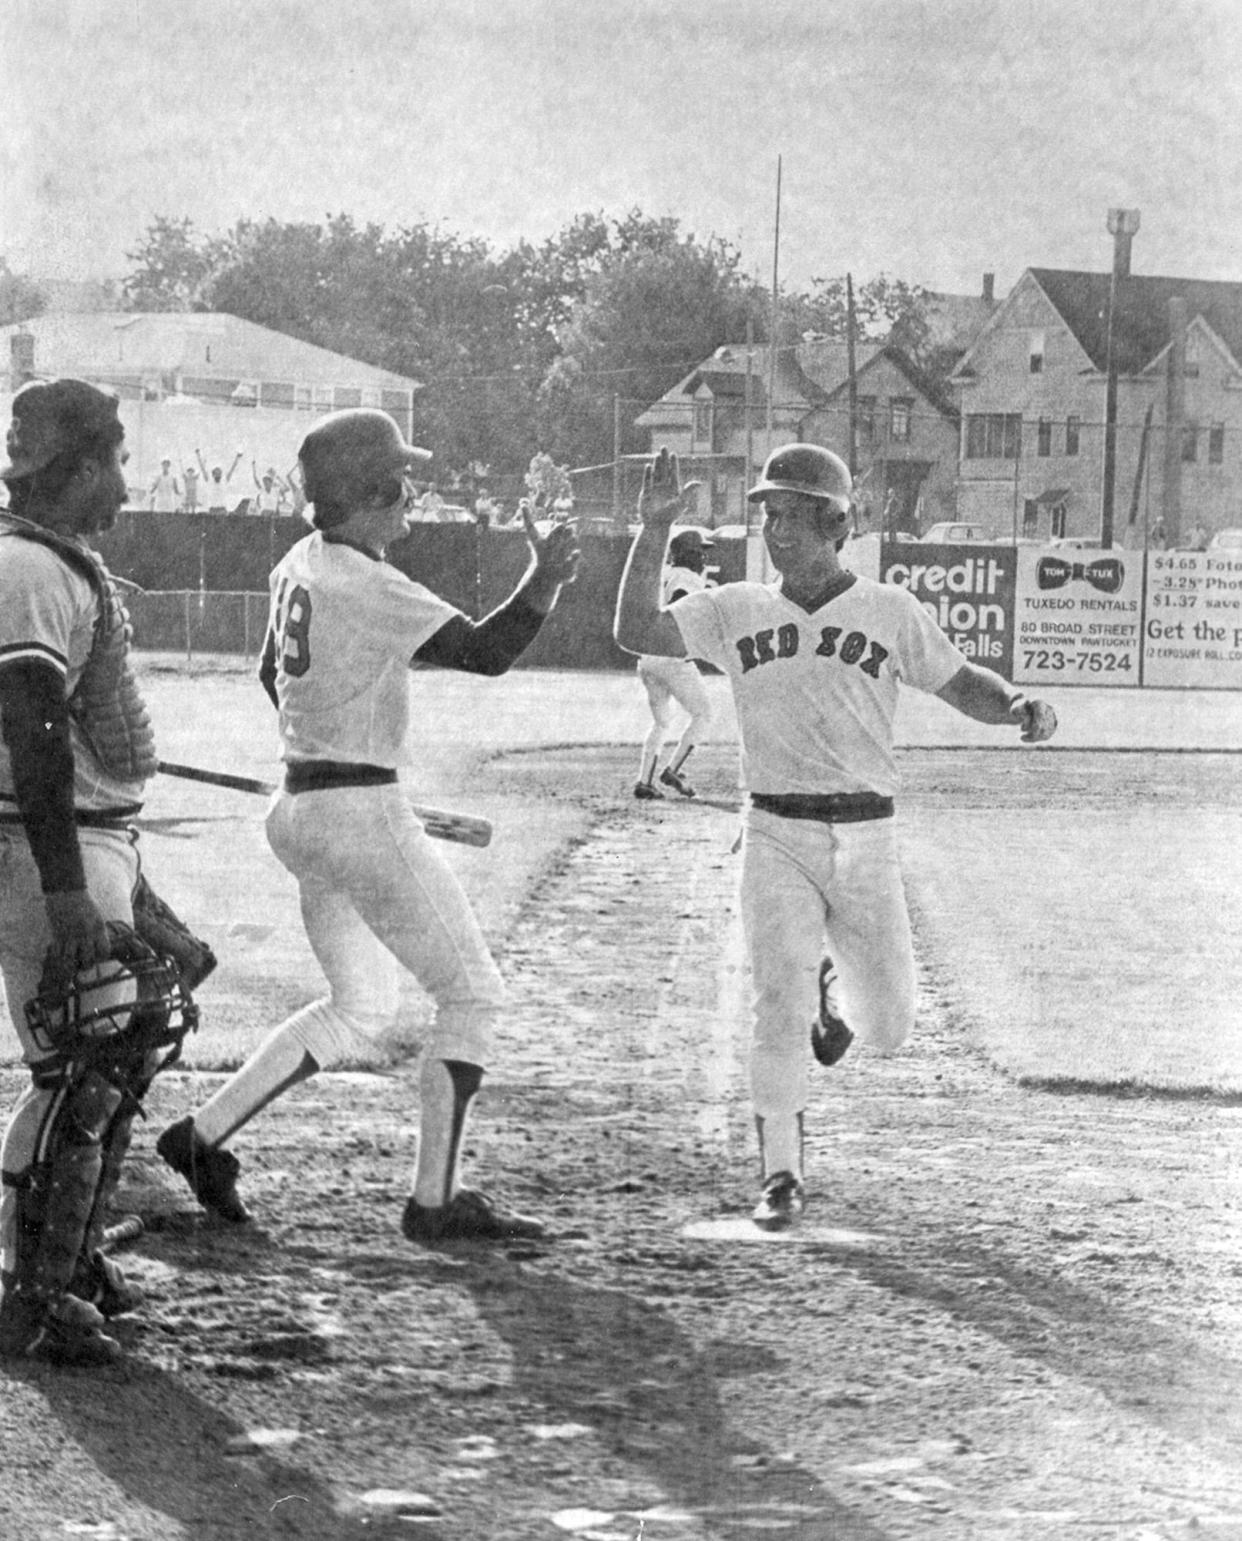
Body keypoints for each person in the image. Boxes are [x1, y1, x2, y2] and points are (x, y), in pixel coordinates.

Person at [155, 408, 581, 1244]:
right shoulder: (368, 579)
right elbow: (489, 653)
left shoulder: (298, 564)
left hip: (303, 808)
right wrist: (546, 578)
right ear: (371, 491)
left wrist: (330, 751)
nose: (410, 493)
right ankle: (435, 1201)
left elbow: (268, 673)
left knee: (361, 1007)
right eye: (399, 479)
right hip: (353, 811)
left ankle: (198, 1137)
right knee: (471, 995)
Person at [615, 444, 1058, 1231]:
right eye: (766, 511)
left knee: (888, 1026)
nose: (771, 525)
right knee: (773, 1005)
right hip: (776, 829)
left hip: (867, 838)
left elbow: (961, 683)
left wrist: (1018, 702)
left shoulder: (888, 609)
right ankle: (780, 1173)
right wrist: (654, 530)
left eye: (788, 511)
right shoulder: (736, 607)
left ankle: (838, 1002)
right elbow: (632, 629)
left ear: (834, 521)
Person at [0, 380, 205, 1365]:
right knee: (76, 1062)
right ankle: (31, 1291)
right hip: (49, 848)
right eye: (118, 461)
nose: (126, 483)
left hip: (95, 837)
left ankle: (68, 1262)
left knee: (124, 1038)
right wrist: (67, 886)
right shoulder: (30, 568)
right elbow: (34, 735)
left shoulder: (54, 562)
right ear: (80, 467)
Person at [633, 527, 716, 800]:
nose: (703, 557)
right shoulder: (687, 577)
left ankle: (644, 782)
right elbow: (680, 602)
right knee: (703, 714)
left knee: (661, 722)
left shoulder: (664, 574)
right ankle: (672, 770)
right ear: (688, 554)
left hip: (647, 659)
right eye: (700, 552)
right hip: (671, 658)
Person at [195, 447, 244, 513]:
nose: (218, 475)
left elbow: (232, 468)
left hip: (222, 509)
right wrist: (198, 455)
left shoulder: (225, 480)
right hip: (212, 509)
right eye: (216, 473)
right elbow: (202, 468)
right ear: (213, 475)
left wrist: (237, 457)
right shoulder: (209, 480)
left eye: (219, 473)